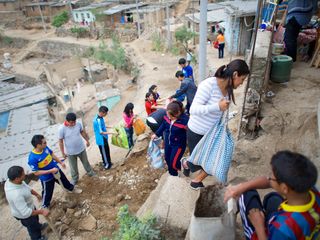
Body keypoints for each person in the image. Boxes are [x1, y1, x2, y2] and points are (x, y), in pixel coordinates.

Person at [181, 59, 250, 190]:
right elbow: (193, 110)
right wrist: (217, 106)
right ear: (235, 74)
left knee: (216, 161)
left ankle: (195, 181)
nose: (242, 83)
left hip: (213, 133)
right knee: (199, 163)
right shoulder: (208, 85)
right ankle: (187, 164)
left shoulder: (228, 89)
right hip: (197, 132)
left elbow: (219, 112)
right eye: (242, 79)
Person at [224, 150, 320, 240]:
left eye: (271, 176)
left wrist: (259, 226)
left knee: (246, 195)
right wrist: (241, 187)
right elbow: (269, 182)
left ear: (284, 188)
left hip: (270, 233)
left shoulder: (282, 228)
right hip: (299, 227)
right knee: (272, 198)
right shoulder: (311, 190)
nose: (268, 177)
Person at [28, 135, 81, 209]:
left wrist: (60, 162)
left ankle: (72, 189)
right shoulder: (32, 158)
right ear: (38, 145)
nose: (46, 143)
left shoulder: (45, 148)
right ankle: (45, 205)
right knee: (48, 192)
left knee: (65, 181)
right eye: (44, 142)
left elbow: (52, 154)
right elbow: (36, 172)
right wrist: (50, 171)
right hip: (47, 177)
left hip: (56, 170)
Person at [5, 166, 50, 240]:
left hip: (30, 207)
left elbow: (26, 187)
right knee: (32, 228)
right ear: (17, 179)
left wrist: (37, 194)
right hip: (25, 216)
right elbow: (26, 213)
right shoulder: (16, 195)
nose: (25, 174)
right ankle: (37, 238)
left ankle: (38, 226)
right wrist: (42, 211)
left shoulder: (12, 181)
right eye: (23, 174)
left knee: (35, 220)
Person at [152, 101, 189, 176]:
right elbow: (164, 125)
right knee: (167, 159)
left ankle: (182, 166)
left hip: (178, 145)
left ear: (177, 114)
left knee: (174, 163)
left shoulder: (185, 121)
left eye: (170, 116)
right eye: (167, 115)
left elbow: (190, 132)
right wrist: (156, 134)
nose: (168, 117)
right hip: (168, 142)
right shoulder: (167, 117)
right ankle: (172, 173)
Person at [59, 112, 96, 185]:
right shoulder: (62, 129)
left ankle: (90, 173)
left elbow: (82, 132)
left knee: (86, 162)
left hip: (81, 148)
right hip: (70, 152)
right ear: (67, 121)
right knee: (73, 167)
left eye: (74, 122)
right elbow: (60, 141)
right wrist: (63, 153)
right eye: (72, 122)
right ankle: (75, 179)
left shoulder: (78, 124)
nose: (73, 124)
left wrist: (87, 140)